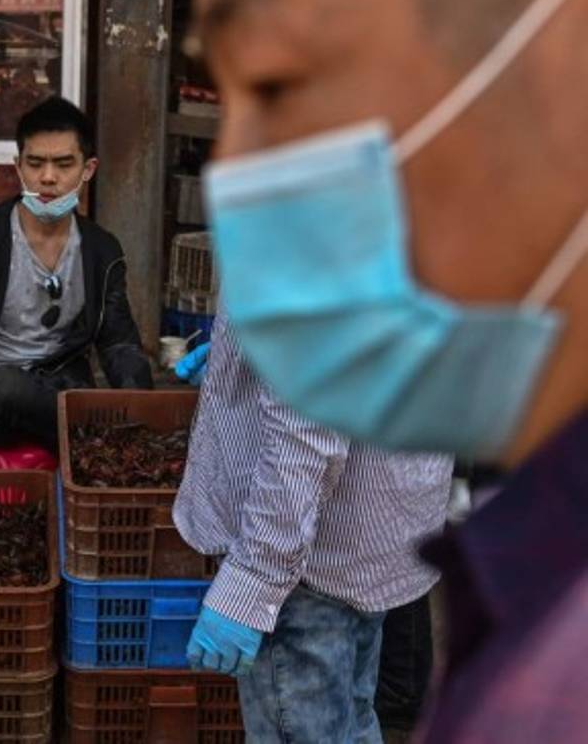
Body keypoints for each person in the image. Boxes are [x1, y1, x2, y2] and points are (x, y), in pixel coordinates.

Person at [192, 0, 588, 740]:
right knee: (352, 716)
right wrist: (238, 351)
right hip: (377, 534)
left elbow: (308, 422)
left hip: (308, 560)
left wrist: (250, 584)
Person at [174, 316, 452, 742]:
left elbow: (304, 432)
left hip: (310, 560)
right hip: (373, 526)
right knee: (352, 720)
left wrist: (255, 577)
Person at [0, 97, 153, 470]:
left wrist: (145, 414)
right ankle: (90, 439)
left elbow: (118, 342)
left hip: (65, 392)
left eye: (64, 164)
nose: (48, 177)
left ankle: (91, 440)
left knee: (87, 405)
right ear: (18, 167)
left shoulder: (101, 251)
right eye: (35, 163)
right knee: (2, 390)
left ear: (88, 169)